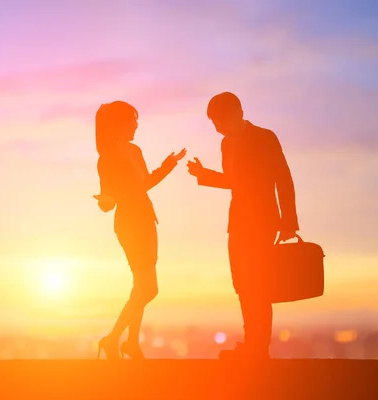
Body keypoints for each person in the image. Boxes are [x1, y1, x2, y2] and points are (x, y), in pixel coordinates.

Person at [186, 92, 299, 360]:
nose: (216, 127)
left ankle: (259, 348)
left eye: (219, 120)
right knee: (242, 285)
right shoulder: (226, 144)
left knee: (259, 285)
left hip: (263, 221)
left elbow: (283, 179)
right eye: (213, 122)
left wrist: (289, 222)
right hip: (237, 222)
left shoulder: (265, 137)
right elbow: (235, 181)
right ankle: (252, 344)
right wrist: (205, 176)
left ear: (237, 113)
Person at [94, 100, 186, 359]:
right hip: (129, 223)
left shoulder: (135, 151)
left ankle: (131, 342)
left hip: (146, 220)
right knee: (149, 289)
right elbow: (107, 201)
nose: (136, 126)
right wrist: (105, 201)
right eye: (132, 122)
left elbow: (145, 183)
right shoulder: (107, 158)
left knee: (140, 287)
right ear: (118, 125)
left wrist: (169, 164)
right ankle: (113, 339)